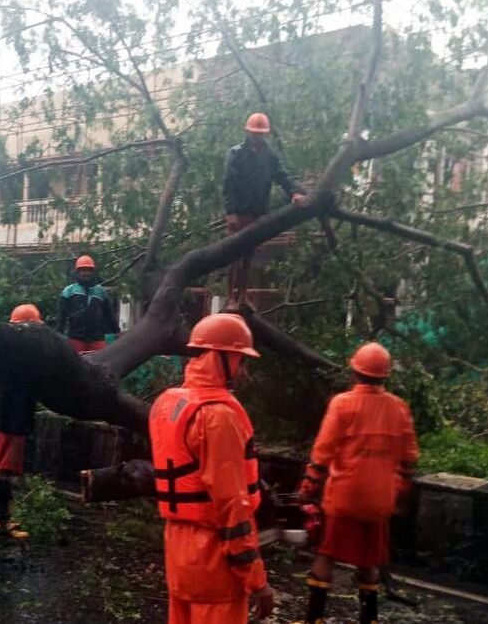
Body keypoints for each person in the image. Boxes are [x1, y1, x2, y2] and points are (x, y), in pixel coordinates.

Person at [148, 313, 274, 624]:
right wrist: (257, 580)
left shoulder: (167, 404)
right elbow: (232, 505)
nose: (242, 370)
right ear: (222, 358)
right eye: (239, 359)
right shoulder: (219, 417)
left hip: (179, 551)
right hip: (214, 560)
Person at [297, 342, 418, 624]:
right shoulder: (399, 408)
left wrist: (307, 488)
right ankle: (369, 619)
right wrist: (397, 494)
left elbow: (322, 453)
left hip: (344, 499)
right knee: (368, 561)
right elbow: (409, 459)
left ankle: (314, 619)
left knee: (325, 556)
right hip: (379, 502)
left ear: (355, 372)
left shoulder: (342, 404)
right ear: (385, 376)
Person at [222, 112, 306, 308]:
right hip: (239, 210)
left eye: (260, 133)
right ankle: (230, 297)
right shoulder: (236, 154)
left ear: (265, 134)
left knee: (248, 256)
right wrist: (230, 212)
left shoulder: (270, 156)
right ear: (248, 132)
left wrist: (294, 192)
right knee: (234, 255)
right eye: (254, 133)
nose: (257, 136)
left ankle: (243, 295)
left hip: (258, 212)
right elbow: (228, 183)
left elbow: (283, 176)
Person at [0, 303, 43, 477]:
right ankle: (5, 469)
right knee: (11, 430)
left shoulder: (29, 346)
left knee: (17, 431)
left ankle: (10, 469)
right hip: (12, 395)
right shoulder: (14, 346)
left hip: (20, 396)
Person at [58, 255, 119, 353]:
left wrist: (116, 332)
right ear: (78, 272)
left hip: (97, 338)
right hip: (76, 338)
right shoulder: (69, 291)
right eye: (83, 270)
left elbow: (109, 315)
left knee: (100, 364)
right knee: (76, 365)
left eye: (88, 270)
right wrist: (59, 336)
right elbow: (62, 316)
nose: (86, 273)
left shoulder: (101, 292)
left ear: (93, 272)